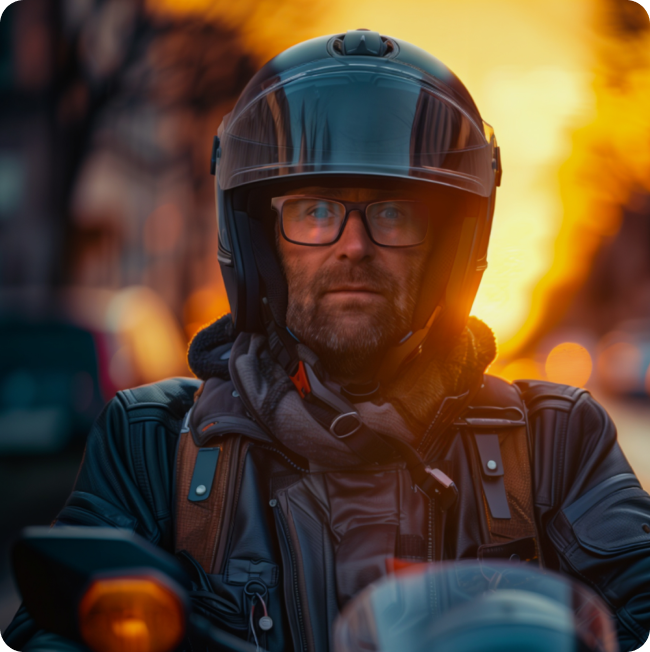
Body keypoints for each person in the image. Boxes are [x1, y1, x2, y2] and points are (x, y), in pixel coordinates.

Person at [3, 30, 650, 652]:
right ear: (260, 244)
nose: (354, 246)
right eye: (315, 211)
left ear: (448, 252)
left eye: (394, 213)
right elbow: (52, 628)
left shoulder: (558, 441)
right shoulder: (149, 442)